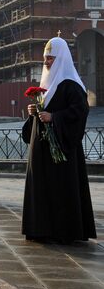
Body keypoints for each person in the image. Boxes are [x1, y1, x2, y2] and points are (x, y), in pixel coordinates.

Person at [22, 36, 96, 244]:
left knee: (60, 189)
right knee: (42, 189)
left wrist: (55, 117)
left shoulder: (72, 85)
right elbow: (43, 113)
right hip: (43, 151)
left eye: (51, 58)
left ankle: (63, 231)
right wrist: (33, 113)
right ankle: (41, 229)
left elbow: (80, 112)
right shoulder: (47, 84)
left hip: (61, 152)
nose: (46, 62)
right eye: (45, 58)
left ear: (62, 58)